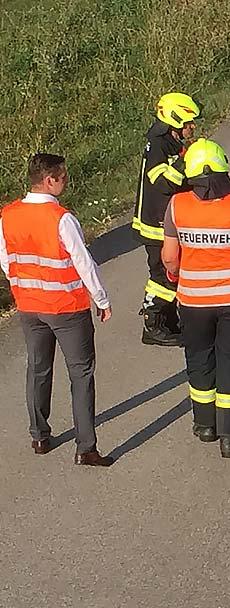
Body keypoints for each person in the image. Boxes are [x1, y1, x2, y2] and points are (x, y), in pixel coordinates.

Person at [160, 139, 230, 459]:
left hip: (193, 302)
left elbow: (169, 257)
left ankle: (205, 425)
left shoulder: (177, 205)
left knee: (199, 359)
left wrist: (176, 278)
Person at [3, 154, 115, 466]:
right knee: (81, 374)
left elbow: (6, 257)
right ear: (50, 180)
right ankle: (86, 447)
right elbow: (83, 263)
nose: (66, 182)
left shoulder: (8, 214)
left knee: (38, 369)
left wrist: (21, 284)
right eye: (63, 177)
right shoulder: (61, 218)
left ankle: (39, 435)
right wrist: (102, 299)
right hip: (66, 307)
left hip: (29, 305)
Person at [135, 92, 201, 346]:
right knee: (162, 275)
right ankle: (152, 325)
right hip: (155, 223)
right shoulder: (158, 143)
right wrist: (185, 162)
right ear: (174, 121)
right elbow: (161, 181)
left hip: (169, 219)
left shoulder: (169, 140)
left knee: (174, 272)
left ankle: (169, 321)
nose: (191, 127)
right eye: (188, 123)